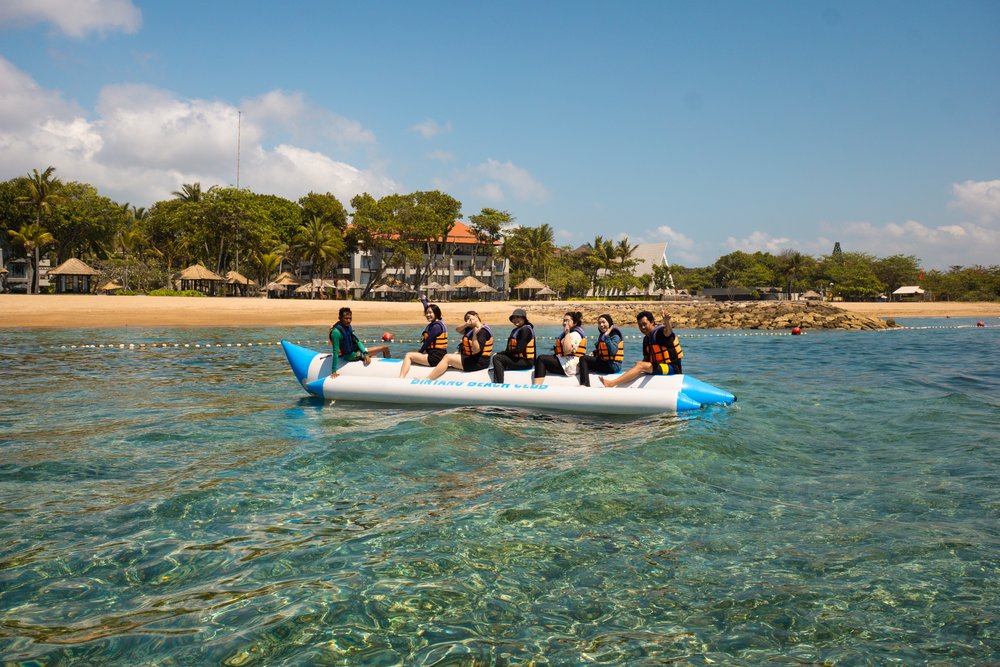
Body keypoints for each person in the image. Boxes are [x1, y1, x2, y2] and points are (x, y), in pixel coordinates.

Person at [600, 310, 682, 388]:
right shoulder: (646, 339)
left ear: (652, 322)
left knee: (640, 365)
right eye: (640, 325)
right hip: (658, 367)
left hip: (672, 368)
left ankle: (612, 383)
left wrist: (667, 321)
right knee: (639, 364)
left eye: (644, 324)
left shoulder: (660, 333)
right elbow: (646, 359)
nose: (642, 327)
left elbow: (668, 332)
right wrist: (636, 370)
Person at [425, 310, 493, 381]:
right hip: (473, 359)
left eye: (469, 317)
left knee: (448, 357)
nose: (467, 320)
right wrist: (466, 324)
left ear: (476, 316)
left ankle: (428, 379)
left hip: (479, 363)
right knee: (454, 354)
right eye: (466, 319)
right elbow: (458, 330)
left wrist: (475, 335)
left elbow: (476, 350)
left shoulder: (482, 332)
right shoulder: (470, 329)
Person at [328, 306, 391, 378]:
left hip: (356, 351)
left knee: (374, 356)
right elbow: (335, 351)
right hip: (351, 356)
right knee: (385, 348)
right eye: (346, 318)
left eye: (350, 318)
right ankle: (389, 368)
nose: (348, 321)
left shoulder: (347, 326)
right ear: (340, 318)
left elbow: (357, 341)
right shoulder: (336, 332)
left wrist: (365, 353)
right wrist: (333, 371)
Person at [399, 296, 448, 378]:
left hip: (435, 358)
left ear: (436, 313)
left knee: (408, 355)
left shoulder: (436, 327)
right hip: (439, 355)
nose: (428, 315)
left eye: (430, 313)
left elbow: (427, 342)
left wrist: (420, 352)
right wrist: (424, 301)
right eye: (427, 313)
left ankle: (401, 378)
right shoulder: (439, 322)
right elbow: (428, 309)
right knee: (415, 355)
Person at [533, 311, 586, 385]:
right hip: (567, 363)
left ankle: (537, 386)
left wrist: (567, 333)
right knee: (546, 358)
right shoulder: (571, 333)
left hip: (570, 366)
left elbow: (567, 351)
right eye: (564, 320)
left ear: (575, 323)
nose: (565, 323)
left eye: (567, 321)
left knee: (541, 359)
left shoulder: (575, 334)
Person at [577, 313, 624, 386]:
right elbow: (603, 349)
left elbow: (613, 352)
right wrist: (594, 352)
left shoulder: (615, 336)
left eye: (603, 322)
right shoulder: (602, 335)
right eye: (599, 323)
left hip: (613, 366)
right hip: (606, 363)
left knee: (583, 359)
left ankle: (585, 384)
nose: (601, 325)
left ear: (610, 323)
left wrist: (607, 336)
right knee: (586, 360)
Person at [490, 308, 536, 383]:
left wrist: (500, 353)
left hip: (526, 362)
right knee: (498, 357)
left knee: (497, 358)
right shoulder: (516, 330)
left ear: (524, 318)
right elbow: (509, 349)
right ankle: (499, 369)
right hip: (517, 359)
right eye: (513, 318)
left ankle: (498, 384)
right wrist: (503, 354)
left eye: (518, 317)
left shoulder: (525, 330)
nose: (515, 320)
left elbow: (519, 350)